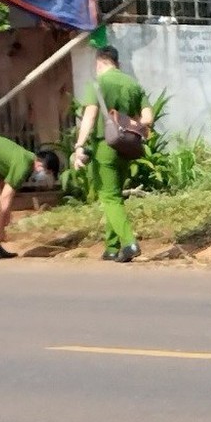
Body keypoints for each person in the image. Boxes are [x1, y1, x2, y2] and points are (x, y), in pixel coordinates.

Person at [71, 45, 153, 263]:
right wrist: (128, 123)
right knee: (115, 196)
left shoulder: (98, 83)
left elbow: (89, 117)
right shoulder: (132, 84)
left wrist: (79, 145)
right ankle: (111, 247)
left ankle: (129, 242)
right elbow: (148, 117)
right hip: (127, 146)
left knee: (108, 197)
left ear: (99, 63)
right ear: (117, 63)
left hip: (105, 147)